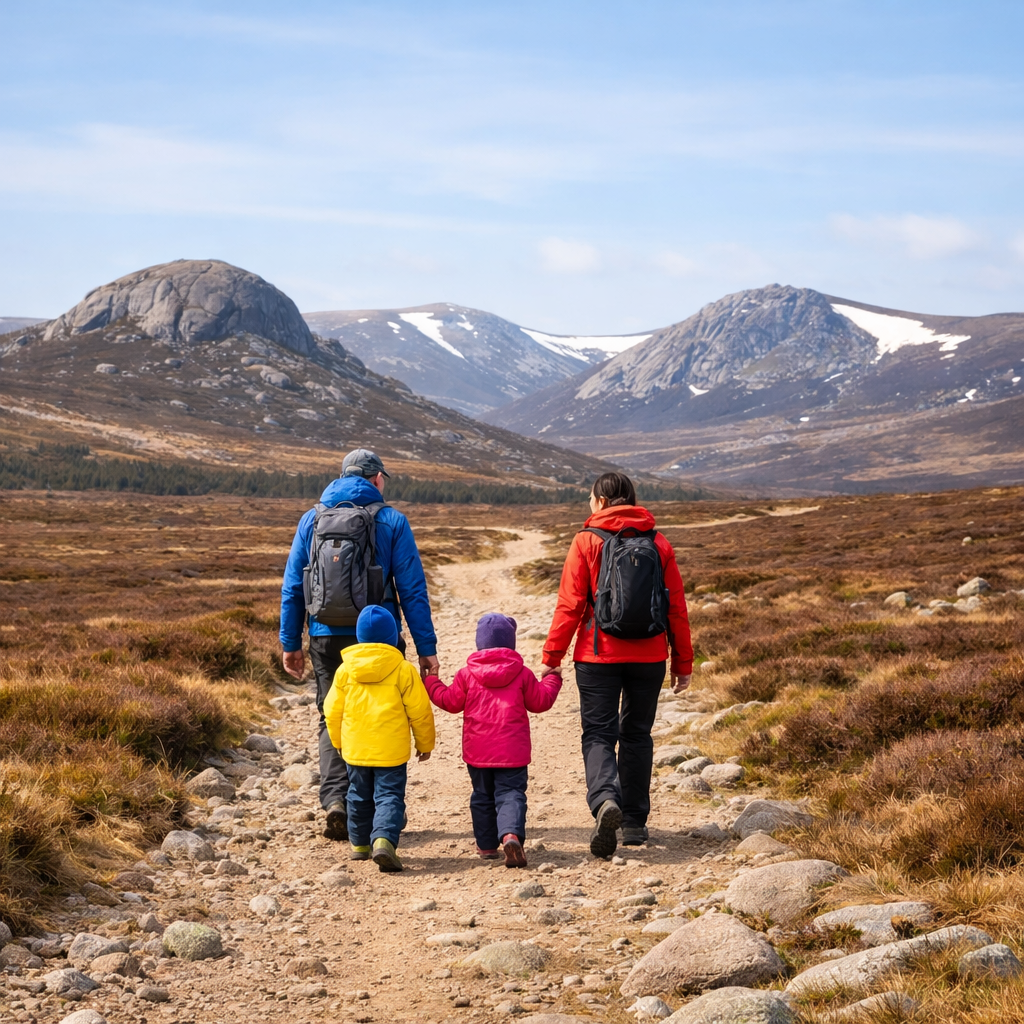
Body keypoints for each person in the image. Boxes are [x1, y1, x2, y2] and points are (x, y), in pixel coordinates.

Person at [279, 448, 439, 841]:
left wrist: (290, 641)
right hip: (380, 635)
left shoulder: (311, 519)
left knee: (331, 713)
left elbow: (293, 586)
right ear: (376, 479)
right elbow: (412, 590)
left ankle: (338, 801)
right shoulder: (392, 520)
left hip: (323, 634)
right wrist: (426, 647)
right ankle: (382, 810)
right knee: (386, 712)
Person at [542, 472, 693, 858]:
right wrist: (683, 661)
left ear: (601, 501)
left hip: (598, 657)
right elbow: (676, 607)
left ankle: (606, 800)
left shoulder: (586, 541)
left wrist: (552, 657)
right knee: (637, 735)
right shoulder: (658, 542)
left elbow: (570, 605)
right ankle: (635, 823)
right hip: (650, 655)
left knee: (597, 733)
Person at [424, 613, 562, 868]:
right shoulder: (522, 673)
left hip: (478, 753)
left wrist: (431, 681)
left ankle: (487, 846)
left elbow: (449, 702)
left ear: (480, 643)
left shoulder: (467, 674)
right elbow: (541, 701)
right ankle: (510, 835)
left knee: (482, 797)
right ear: (511, 643)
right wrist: (553, 677)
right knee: (511, 794)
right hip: (513, 753)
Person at [322, 605, 435, 872]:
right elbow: (420, 712)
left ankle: (359, 845)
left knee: (358, 794)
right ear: (394, 636)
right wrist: (425, 743)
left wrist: (338, 741)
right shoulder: (403, 670)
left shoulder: (344, 671)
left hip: (355, 749)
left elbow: (332, 712)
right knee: (389, 796)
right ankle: (383, 839)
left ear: (359, 636)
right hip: (391, 751)